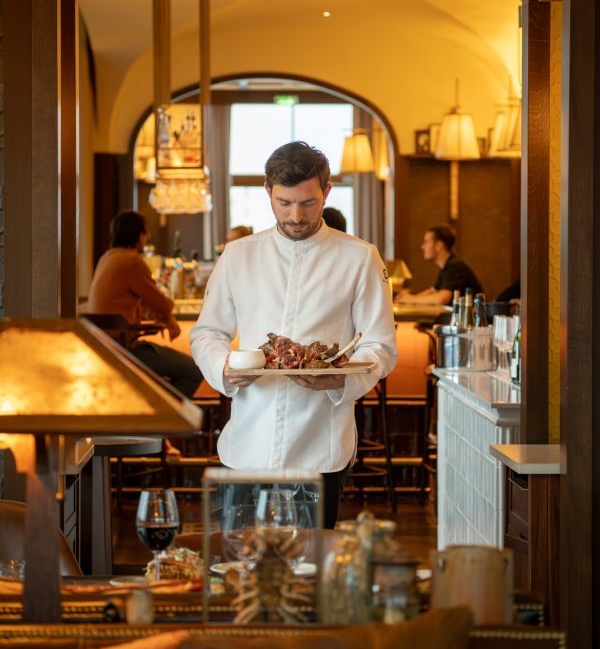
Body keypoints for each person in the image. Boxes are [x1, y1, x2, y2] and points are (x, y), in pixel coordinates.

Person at [190, 141, 397, 528]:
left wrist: (341, 381)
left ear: (327, 193)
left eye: (307, 203)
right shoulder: (237, 256)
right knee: (242, 566)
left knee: (308, 574)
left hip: (321, 446)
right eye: (285, 203)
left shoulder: (361, 258)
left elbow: (380, 345)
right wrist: (224, 368)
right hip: (247, 444)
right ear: (268, 191)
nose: (296, 215)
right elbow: (208, 332)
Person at [88, 210, 203, 399]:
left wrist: (164, 315)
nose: (148, 238)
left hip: (103, 347)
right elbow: (164, 304)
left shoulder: (107, 257)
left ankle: (152, 406)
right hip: (124, 349)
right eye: (146, 234)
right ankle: (162, 415)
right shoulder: (132, 261)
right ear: (140, 236)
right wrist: (167, 315)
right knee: (193, 370)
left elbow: (141, 305)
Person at [395, 223, 483, 306]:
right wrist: (408, 298)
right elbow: (433, 291)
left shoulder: (454, 267)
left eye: (426, 242)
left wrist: (411, 299)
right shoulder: (447, 266)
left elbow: (441, 298)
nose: (422, 247)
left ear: (438, 246)